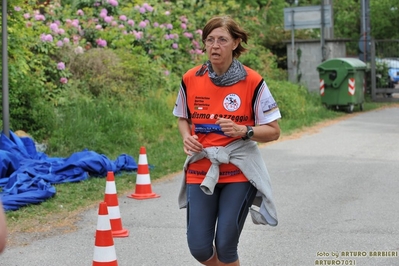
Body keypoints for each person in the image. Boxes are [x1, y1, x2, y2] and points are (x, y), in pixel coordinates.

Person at [172, 16, 281, 266]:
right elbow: (181, 118)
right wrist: (187, 137)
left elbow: (274, 131)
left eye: (222, 39)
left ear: (235, 43)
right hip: (201, 169)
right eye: (210, 40)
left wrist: (244, 130)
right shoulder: (191, 78)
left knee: (225, 247)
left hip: (239, 172)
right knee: (199, 247)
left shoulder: (253, 81)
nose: (214, 46)